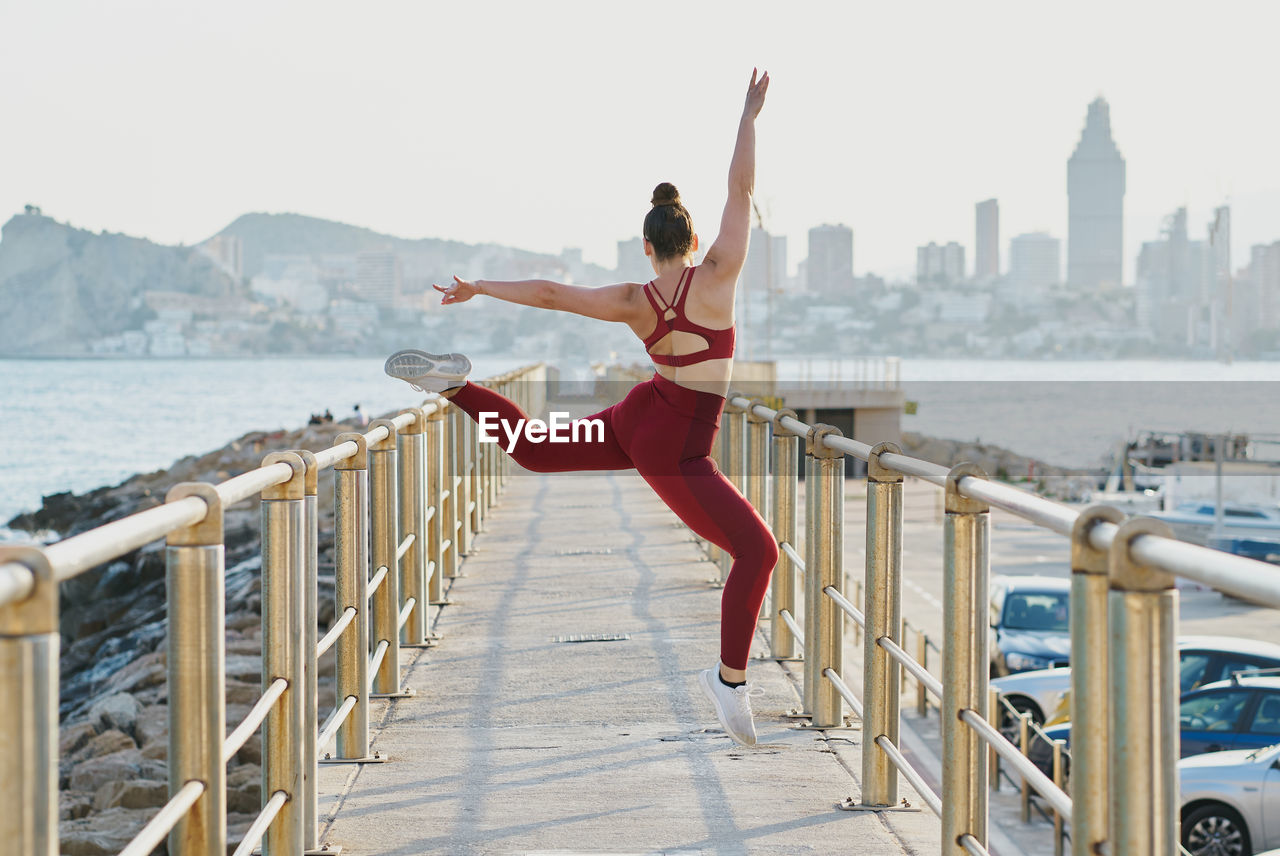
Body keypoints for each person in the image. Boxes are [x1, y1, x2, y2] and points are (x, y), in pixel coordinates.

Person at [384, 70, 772, 745]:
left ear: (647, 247)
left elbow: (551, 295)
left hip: (644, 415)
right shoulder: (721, 276)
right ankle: (727, 680)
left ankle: (453, 387)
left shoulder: (633, 299)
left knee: (533, 447)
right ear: (692, 238)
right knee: (758, 552)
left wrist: (479, 287)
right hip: (677, 446)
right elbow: (741, 187)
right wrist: (749, 115)